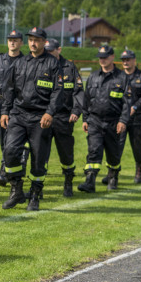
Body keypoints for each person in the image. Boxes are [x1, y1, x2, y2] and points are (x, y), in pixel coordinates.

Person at [0, 26, 63, 211]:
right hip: (18, 115)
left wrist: (49, 113)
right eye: (30, 40)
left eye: (37, 40)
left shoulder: (52, 64)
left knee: (37, 159)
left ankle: (34, 195)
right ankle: (16, 190)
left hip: (40, 117)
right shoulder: (19, 63)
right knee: (10, 151)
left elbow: (58, 91)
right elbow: (9, 89)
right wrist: (5, 111)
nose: (33, 43)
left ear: (44, 42)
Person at [78, 44, 131, 193]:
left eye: (105, 57)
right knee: (94, 150)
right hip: (95, 120)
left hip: (114, 122)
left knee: (113, 154)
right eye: (100, 58)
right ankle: (90, 181)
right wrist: (85, 119)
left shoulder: (122, 77)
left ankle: (113, 176)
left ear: (112, 57)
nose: (102, 60)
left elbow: (127, 102)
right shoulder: (93, 76)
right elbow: (86, 99)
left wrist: (123, 121)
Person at [45, 39, 84, 197]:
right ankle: (37, 189)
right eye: (46, 50)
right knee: (41, 153)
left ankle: (68, 182)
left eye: (51, 50)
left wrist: (76, 111)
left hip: (64, 117)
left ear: (59, 50)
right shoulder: (42, 65)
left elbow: (79, 91)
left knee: (66, 153)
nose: (48, 53)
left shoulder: (70, 67)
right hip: (44, 117)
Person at [0, 29, 24, 186]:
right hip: (0, 106)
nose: (12, 42)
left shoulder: (26, 61)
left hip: (20, 107)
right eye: (10, 39)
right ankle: (9, 169)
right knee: (4, 141)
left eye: (15, 39)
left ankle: (5, 170)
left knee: (14, 142)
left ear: (21, 42)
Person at [121, 49, 141, 184]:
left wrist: (134, 107)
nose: (126, 62)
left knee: (137, 147)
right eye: (123, 60)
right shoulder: (117, 76)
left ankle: (139, 172)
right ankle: (113, 173)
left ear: (134, 60)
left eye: (128, 59)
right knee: (116, 146)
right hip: (120, 119)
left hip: (137, 119)